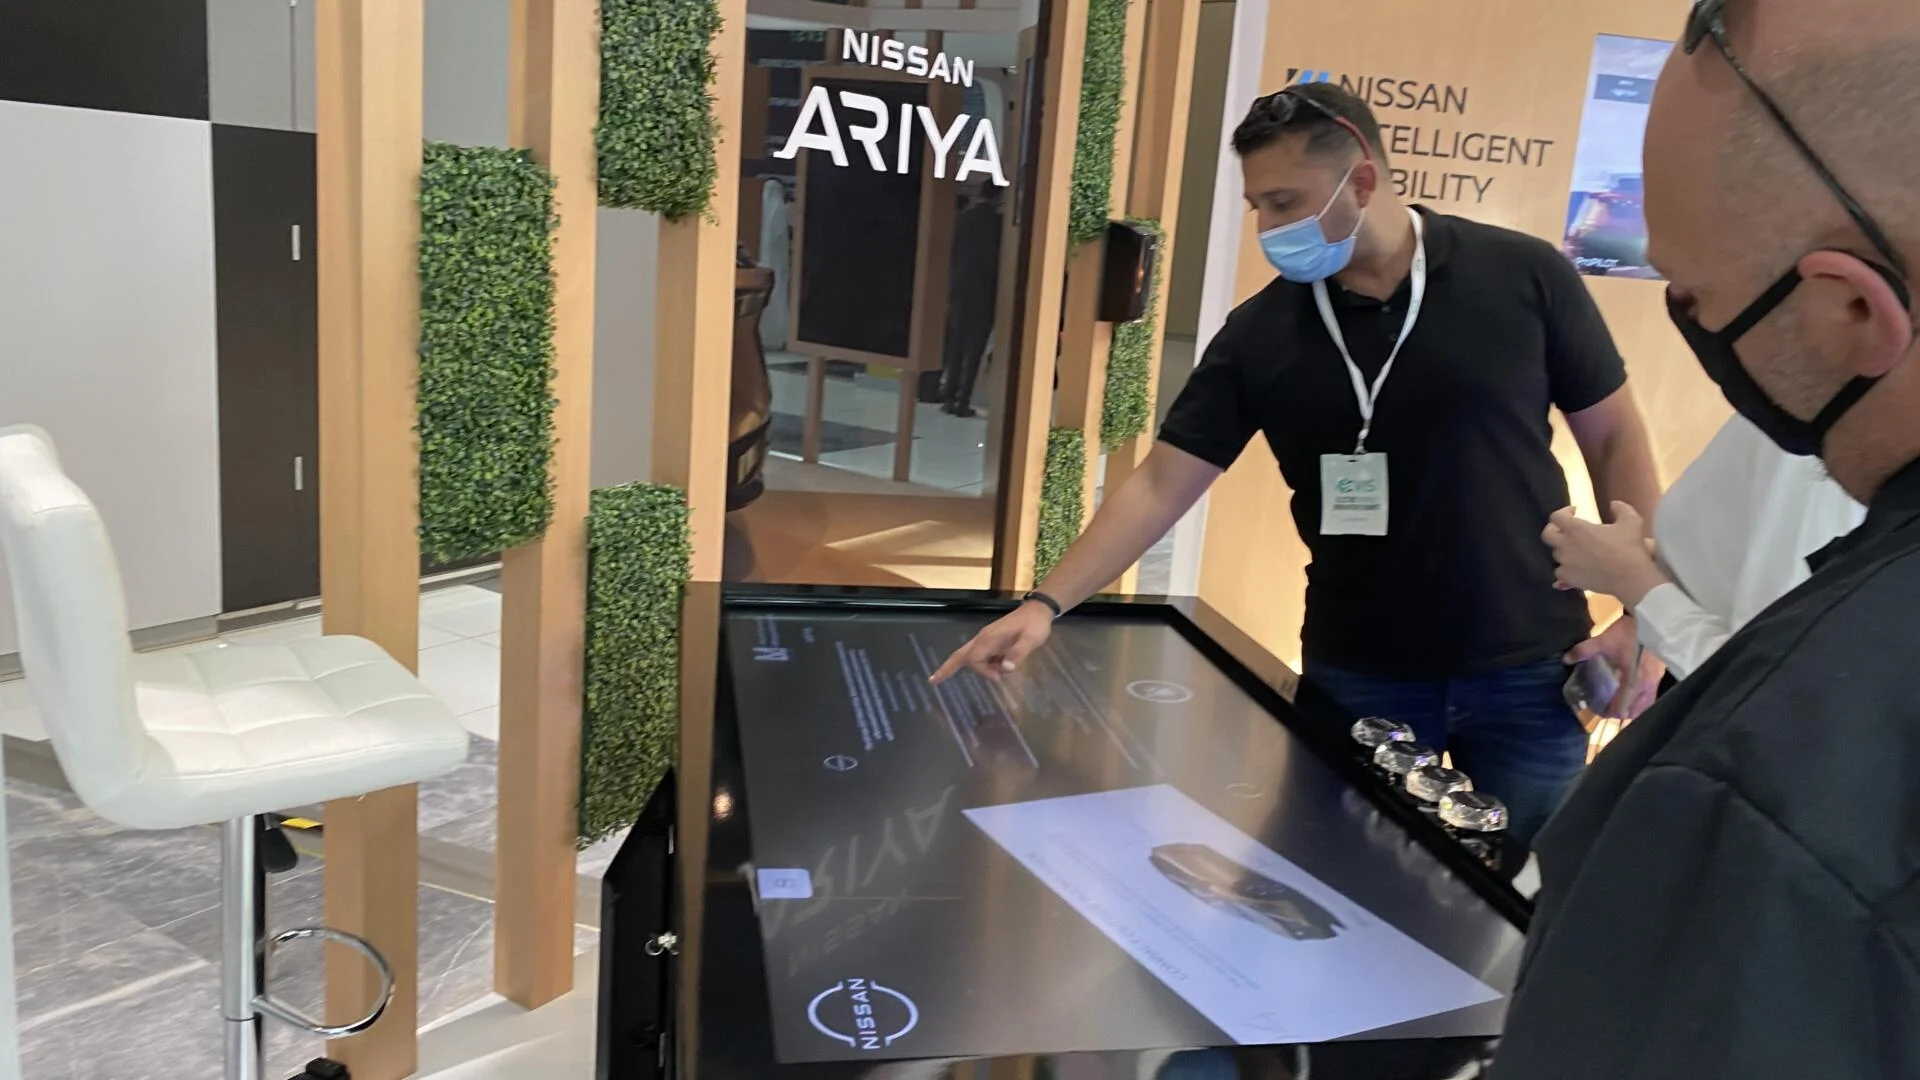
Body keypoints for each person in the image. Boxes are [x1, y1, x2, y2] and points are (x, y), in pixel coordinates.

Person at [932, 82, 1663, 848]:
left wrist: (1642, 611)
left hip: (1530, 667)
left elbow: (1614, 437)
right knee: (1341, 891)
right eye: (1258, 207)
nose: (1269, 229)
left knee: (1525, 904)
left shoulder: (1522, 275)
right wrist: (1045, 605)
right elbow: (1160, 483)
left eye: (1284, 202)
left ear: (1364, 180)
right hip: (1360, 674)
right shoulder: (1262, 334)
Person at [1489, 0, 1920, 1075]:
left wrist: (1649, 595)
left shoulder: (1768, 803)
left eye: (1697, 291)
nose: (1682, 313)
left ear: (1853, 314)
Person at [1544, 411, 1864, 687]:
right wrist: (1635, 568)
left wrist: (1630, 578)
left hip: (1718, 710)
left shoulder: (1835, 442)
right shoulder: (1795, 407)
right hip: (1683, 666)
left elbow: (1766, 679)